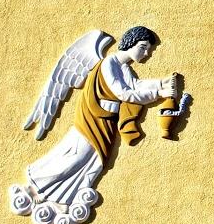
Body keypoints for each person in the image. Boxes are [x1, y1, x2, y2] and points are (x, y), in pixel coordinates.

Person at [26, 26, 180, 208]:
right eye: (143, 47)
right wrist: (159, 92)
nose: (146, 53)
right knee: (76, 157)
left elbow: (136, 85)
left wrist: (161, 83)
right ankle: (35, 183)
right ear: (131, 42)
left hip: (107, 121)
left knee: (95, 164)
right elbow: (124, 93)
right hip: (93, 119)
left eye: (148, 49)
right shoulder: (109, 63)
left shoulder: (123, 68)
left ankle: (64, 197)